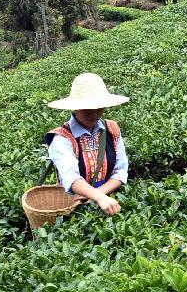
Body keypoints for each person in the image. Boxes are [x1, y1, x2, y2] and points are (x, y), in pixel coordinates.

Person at [45, 73, 129, 216]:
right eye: (87, 108)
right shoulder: (61, 138)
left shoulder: (112, 129)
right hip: (72, 209)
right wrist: (98, 197)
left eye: (99, 108)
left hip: (110, 203)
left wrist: (99, 195)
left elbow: (120, 171)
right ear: (75, 107)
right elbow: (71, 177)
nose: (95, 114)